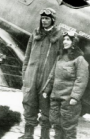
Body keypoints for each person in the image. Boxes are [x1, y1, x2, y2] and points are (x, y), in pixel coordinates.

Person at [19, 8, 63, 139]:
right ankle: (28, 134)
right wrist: (25, 73)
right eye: (43, 18)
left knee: (46, 106)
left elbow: (60, 59)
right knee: (28, 102)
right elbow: (27, 55)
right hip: (32, 75)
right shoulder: (35, 33)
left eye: (47, 19)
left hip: (47, 77)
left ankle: (45, 136)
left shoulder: (59, 36)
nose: (44, 21)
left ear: (53, 20)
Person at [43, 31, 89, 139]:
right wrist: (46, 90)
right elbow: (52, 74)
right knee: (55, 122)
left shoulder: (80, 59)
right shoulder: (60, 57)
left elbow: (81, 80)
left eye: (68, 39)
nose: (65, 41)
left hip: (68, 100)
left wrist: (75, 97)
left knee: (68, 126)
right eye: (64, 39)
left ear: (74, 42)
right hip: (55, 97)